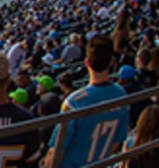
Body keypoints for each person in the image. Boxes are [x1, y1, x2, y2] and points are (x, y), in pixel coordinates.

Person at [47, 34, 128, 168]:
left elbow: (57, 150)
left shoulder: (75, 101)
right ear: (112, 62)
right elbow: (116, 142)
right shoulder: (122, 96)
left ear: (87, 62)